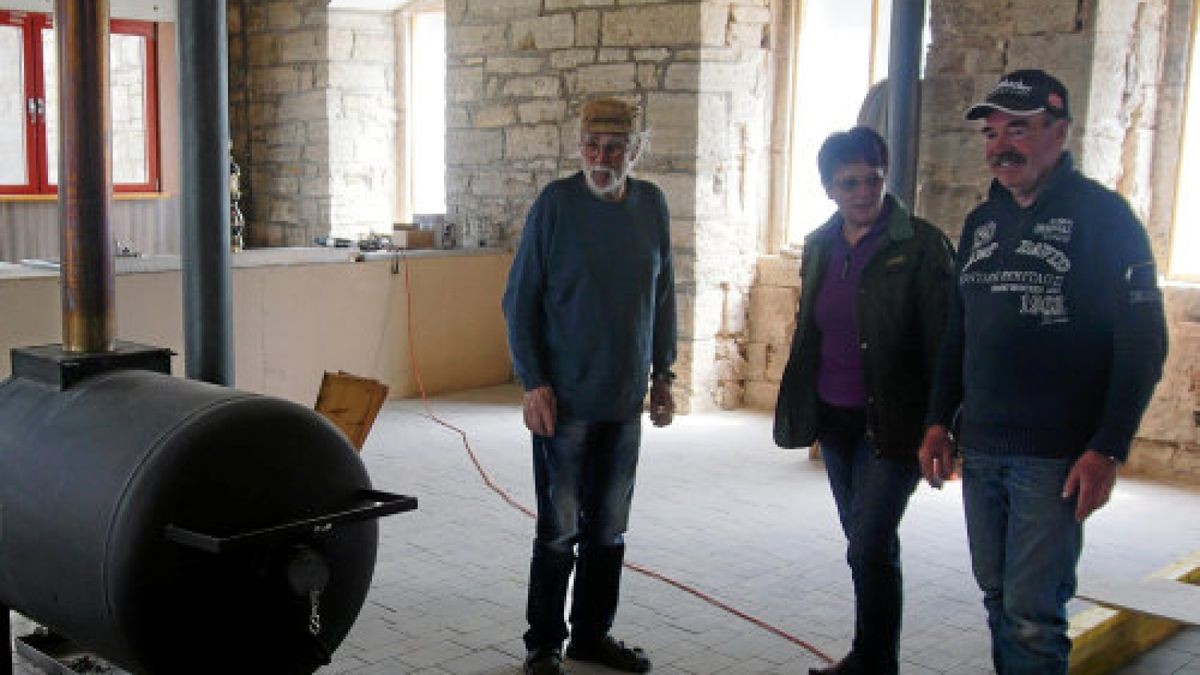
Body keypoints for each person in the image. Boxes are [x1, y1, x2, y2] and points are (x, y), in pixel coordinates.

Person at [919, 69, 1168, 674]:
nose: (1001, 144)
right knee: (999, 597)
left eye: (1020, 129)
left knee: (1033, 615)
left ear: (1059, 132)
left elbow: (1144, 343)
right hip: (981, 449)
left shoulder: (1106, 219)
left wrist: (1107, 447)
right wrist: (936, 422)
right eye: (992, 132)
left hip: (1054, 458)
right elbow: (959, 331)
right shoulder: (982, 222)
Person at [502, 97, 676, 675]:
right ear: (580, 147)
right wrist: (533, 382)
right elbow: (519, 300)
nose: (602, 158)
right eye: (592, 146)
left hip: (623, 400)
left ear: (636, 150)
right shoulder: (556, 205)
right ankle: (544, 642)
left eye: (615, 147)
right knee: (559, 530)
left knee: (609, 530)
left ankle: (592, 636)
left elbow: (665, 295)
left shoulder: (651, 205)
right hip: (566, 401)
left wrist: (664, 375)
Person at [774, 125, 955, 675]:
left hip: (894, 423)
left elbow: (946, 342)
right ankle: (873, 656)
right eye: (849, 182)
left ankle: (874, 660)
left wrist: (941, 423)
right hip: (836, 419)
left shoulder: (921, 246)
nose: (863, 193)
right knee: (864, 540)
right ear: (829, 187)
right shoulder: (821, 245)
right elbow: (813, 330)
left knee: (869, 540)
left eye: (873, 180)